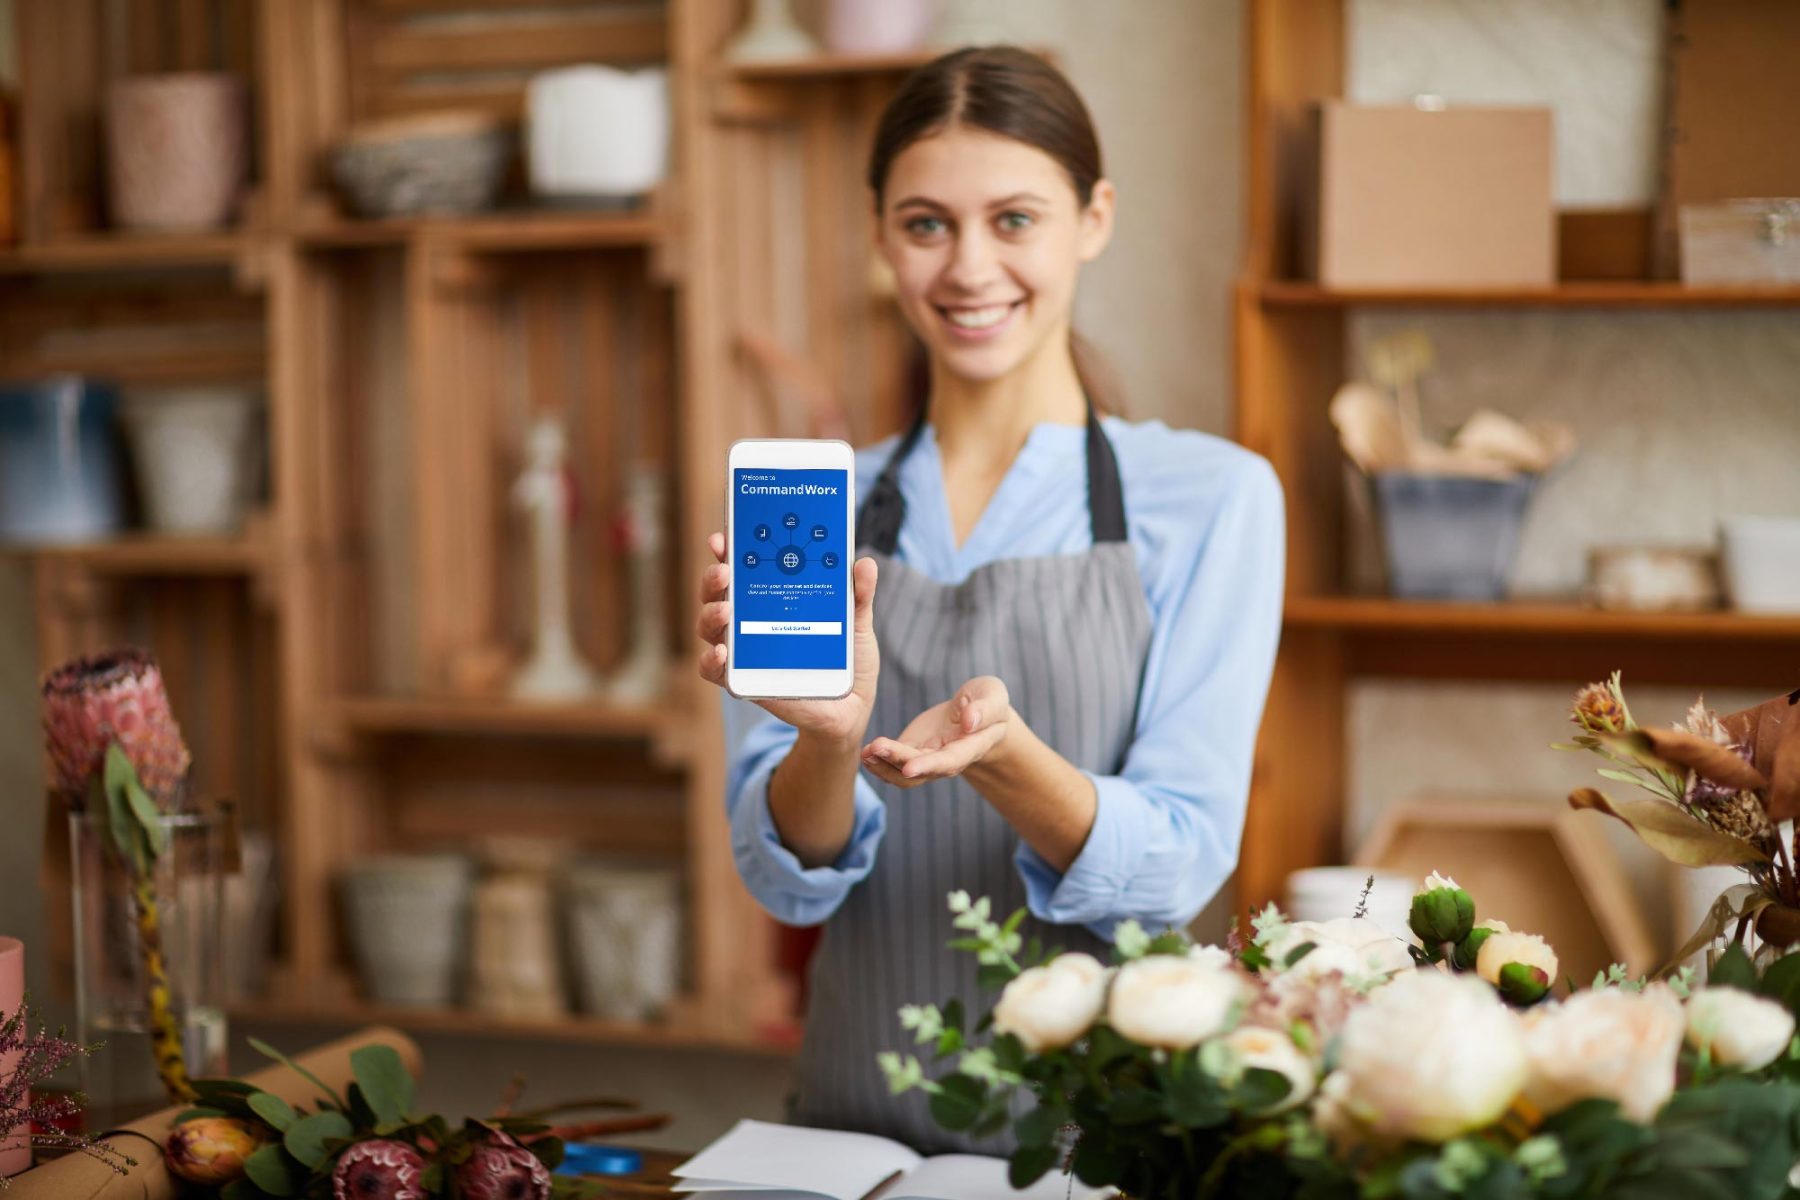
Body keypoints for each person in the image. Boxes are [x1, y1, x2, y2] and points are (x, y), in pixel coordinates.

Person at [694, 45, 1285, 1154]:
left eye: (1014, 219)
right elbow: (786, 889)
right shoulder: (821, 505)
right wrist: (825, 742)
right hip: (846, 1133)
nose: (968, 267)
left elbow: (1183, 863)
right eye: (926, 225)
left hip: (1102, 1139)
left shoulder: (1211, 498)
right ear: (882, 237)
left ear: (1092, 219)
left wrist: (1010, 761)